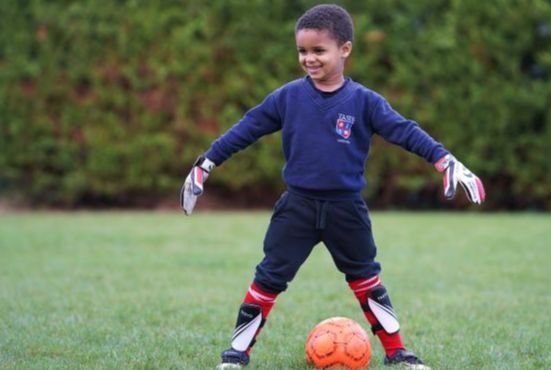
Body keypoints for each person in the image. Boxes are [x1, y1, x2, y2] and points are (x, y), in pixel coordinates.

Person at [180, 4, 485, 369]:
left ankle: (398, 354)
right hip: (297, 208)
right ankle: (235, 356)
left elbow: (405, 130)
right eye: (302, 51)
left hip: (346, 210)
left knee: (368, 280)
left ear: (345, 49)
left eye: (318, 51)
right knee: (268, 280)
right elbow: (247, 128)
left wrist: (444, 160)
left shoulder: (365, 102)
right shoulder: (287, 97)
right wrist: (206, 162)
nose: (309, 59)